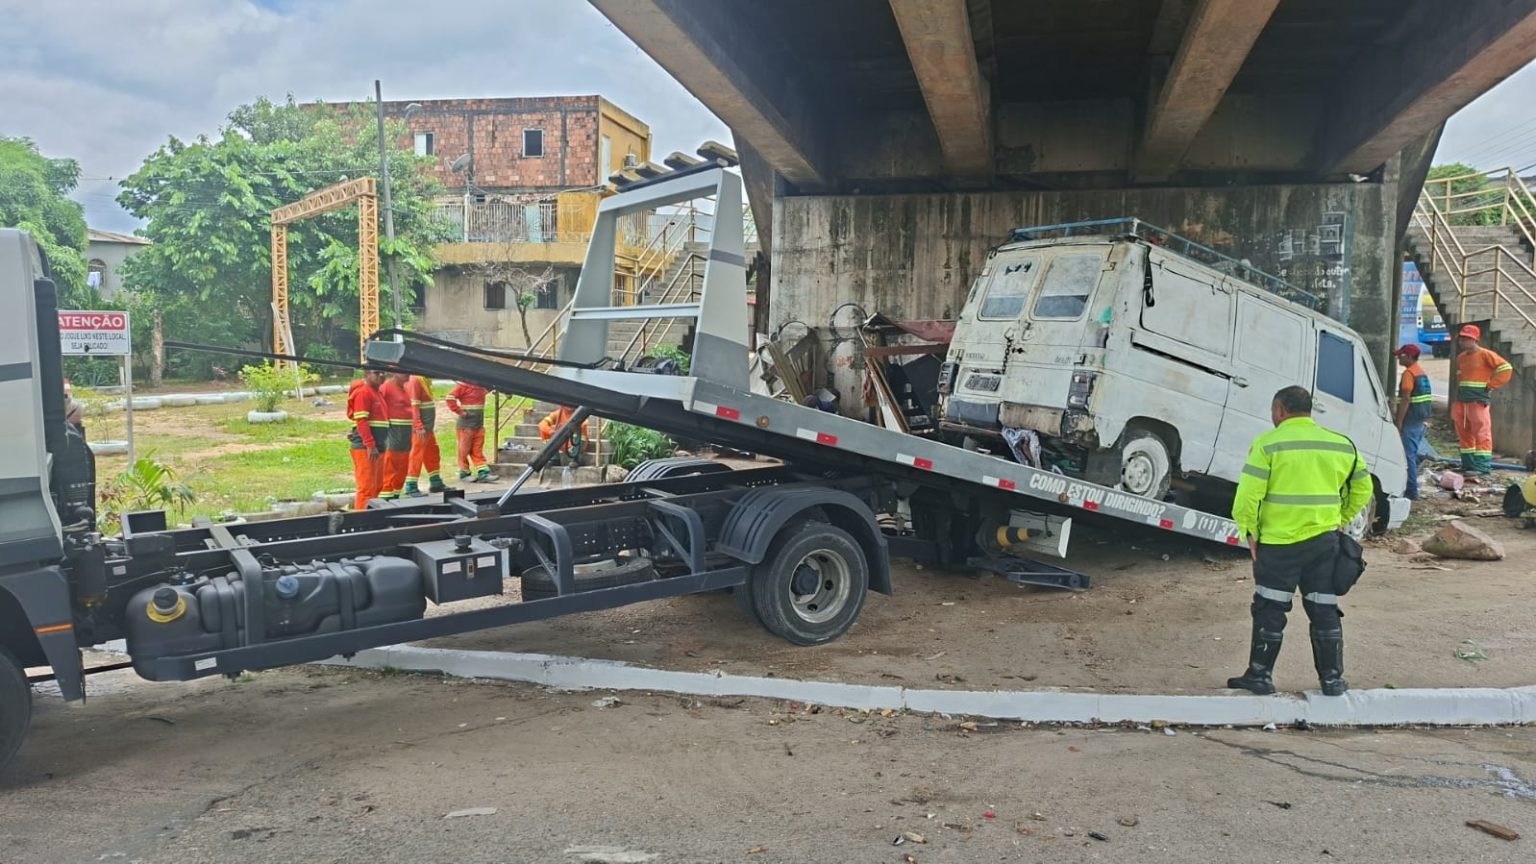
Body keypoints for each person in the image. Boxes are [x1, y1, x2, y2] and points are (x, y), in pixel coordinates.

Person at [1227, 386, 1373, 697]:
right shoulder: (1342, 445)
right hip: (1324, 541)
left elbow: (1247, 496)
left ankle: (1260, 676)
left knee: (1270, 607)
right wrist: (1341, 517)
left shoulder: (1268, 444)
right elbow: (1364, 488)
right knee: (1323, 607)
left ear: (1280, 410)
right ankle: (1332, 680)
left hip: (1278, 544)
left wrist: (1250, 532)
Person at [1451, 324, 1512, 476]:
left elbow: (1506, 368)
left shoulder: (1486, 354)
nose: (1462, 341)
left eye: (1466, 338)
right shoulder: (1461, 358)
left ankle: (1482, 466)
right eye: (1461, 338)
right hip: (1463, 400)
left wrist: (1491, 385)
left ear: (1475, 339)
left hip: (1478, 400)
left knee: (1481, 433)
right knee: (1464, 433)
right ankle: (1468, 464)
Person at [345, 369, 389, 510]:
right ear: (366, 374)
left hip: (378, 447)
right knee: (366, 488)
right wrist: (370, 445)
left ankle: (371, 516)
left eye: (383, 373)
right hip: (366, 448)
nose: (381, 375)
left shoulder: (378, 393)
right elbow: (361, 420)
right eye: (376, 373)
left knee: (377, 486)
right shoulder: (364, 392)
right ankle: (361, 518)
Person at [1393, 344, 1433, 499]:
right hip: (1421, 419)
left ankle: (1411, 491)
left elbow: (1406, 400)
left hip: (1411, 420)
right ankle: (1411, 485)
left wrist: (1399, 421)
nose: (1398, 357)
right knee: (1412, 454)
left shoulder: (1408, 374)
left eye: (1401, 355)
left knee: (1407, 456)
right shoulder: (1420, 372)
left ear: (1409, 356)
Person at [404, 374, 447, 496]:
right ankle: (411, 485)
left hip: (427, 429)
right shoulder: (415, 380)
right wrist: (418, 425)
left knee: (432, 452)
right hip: (421, 429)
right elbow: (414, 405)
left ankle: (435, 481)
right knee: (416, 455)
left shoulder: (424, 380)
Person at [445, 380, 492, 482]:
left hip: (478, 424)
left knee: (477, 448)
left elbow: (489, 388)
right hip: (466, 426)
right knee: (464, 450)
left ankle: (483, 472)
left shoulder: (481, 386)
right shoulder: (463, 386)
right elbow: (449, 398)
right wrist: (460, 412)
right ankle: (464, 472)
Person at [377, 372, 414, 500]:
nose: (407, 374)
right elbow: (377, 404)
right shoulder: (387, 387)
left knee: (403, 463)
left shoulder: (406, 388)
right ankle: (386, 494)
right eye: (403, 371)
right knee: (391, 461)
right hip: (393, 429)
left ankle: (396, 493)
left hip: (406, 431)